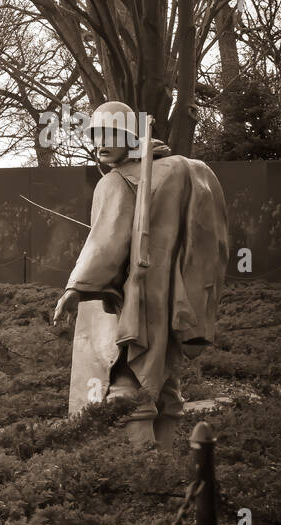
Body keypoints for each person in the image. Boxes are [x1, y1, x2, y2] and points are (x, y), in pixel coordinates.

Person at [52, 100, 228, 448]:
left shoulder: (116, 181)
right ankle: (167, 463)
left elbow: (106, 243)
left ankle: (139, 469)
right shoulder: (184, 171)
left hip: (132, 301)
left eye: (109, 135)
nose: (100, 144)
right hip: (174, 301)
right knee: (165, 381)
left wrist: (75, 289)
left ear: (130, 137)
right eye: (96, 136)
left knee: (128, 382)